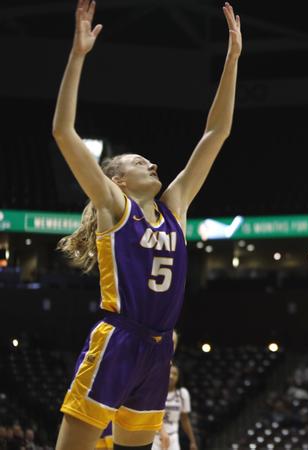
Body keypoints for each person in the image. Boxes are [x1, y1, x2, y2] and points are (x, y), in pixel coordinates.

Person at [52, 0, 241, 448]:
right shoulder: (115, 208)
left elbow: (216, 134)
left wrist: (232, 58)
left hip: (159, 351)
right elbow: (64, 132)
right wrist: (77, 57)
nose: (153, 163)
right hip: (118, 341)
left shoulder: (174, 207)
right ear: (117, 179)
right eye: (141, 162)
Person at [152, 365, 198, 450]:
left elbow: (185, 419)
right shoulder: (155, 392)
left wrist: (192, 441)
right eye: (169, 372)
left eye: (175, 374)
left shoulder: (182, 394)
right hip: (154, 437)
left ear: (178, 377)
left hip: (173, 437)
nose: (171, 376)